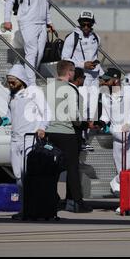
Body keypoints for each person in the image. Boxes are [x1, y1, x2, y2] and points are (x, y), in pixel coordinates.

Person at [2, 64, 50, 220]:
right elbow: (9, 116)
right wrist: (2, 120)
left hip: (29, 139)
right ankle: (24, 209)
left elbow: (47, 111)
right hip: (15, 140)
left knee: (29, 176)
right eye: (8, 82)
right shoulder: (11, 95)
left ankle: (34, 209)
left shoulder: (34, 92)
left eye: (12, 82)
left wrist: (42, 128)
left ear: (21, 80)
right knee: (18, 176)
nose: (10, 85)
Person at [46, 61, 93, 213]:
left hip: (49, 132)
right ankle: (77, 203)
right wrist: (85, 124)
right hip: (66, 133)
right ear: (70, 72)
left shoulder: (47, 88)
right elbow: (75, 117)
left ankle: (51, 199)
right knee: (72, 169)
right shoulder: (70, 90)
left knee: (52, 168)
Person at [3, 0, 54, 86]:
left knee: (40, 53)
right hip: (27, 22)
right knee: (32, 51)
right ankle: (31, 83)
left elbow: (45, 2)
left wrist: (49, 21)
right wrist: (7, 20)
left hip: (42, 23)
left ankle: (25, 77)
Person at [97, 68, 130, 199]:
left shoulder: (129, 91)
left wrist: (128, 123)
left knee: (128, 169)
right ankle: (125, 203)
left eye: (107, 80)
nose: (104, 82)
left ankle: (114, 183)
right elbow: (106, 115)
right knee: (120, 171)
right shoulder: (105, 94)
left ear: (116, 80)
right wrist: (100, 123)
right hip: (117, 136)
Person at [61, 10, 103, 88]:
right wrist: (83, 65)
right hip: (80, 78)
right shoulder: (72, 38)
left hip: (95, 79)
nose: (86, 27)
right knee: (82, 100)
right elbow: (64, 60)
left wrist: (102, 75)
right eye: (83, 24)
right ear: (80, 23)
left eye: (89, 25)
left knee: (94, 100)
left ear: (92, 24)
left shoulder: (96, 37)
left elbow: (95, 57)